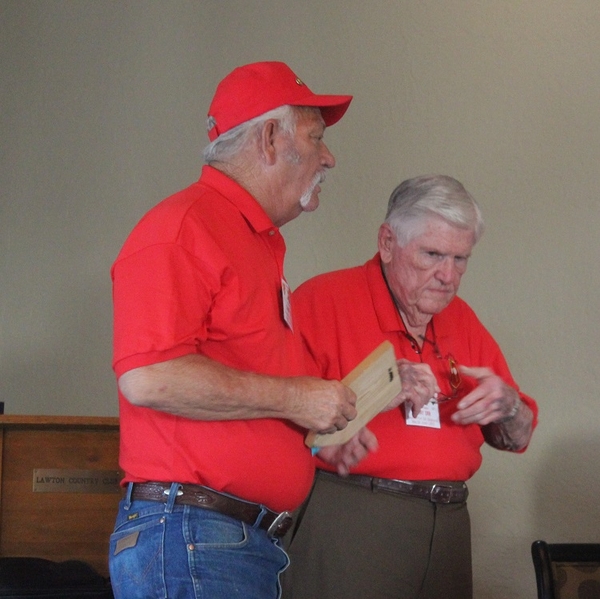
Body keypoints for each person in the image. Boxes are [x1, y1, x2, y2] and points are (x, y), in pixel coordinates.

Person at [108, 61, 365, 599]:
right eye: (316, 138)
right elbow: (150, 377)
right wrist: (297, 398)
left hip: (225, 542)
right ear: (269, 138)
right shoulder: (186, 227)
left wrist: (313, 435)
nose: (329, 157)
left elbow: (246, 392)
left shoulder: (249, 239)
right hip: (193, 539)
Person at [282, 175, 539, 599]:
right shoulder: (323, 302)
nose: (447, 276)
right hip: (355, 517)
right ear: (387, 243)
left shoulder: (462, 319)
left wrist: (509, 406)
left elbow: (518, 436)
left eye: (460, 259)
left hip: (450, 520)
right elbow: (276, 424)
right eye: (432, 254)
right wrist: (374, 390)